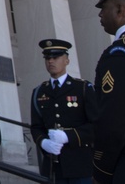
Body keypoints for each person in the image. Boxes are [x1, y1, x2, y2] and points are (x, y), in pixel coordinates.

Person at [29, 38, 96, 184]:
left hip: (80, 165)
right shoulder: (39, 92)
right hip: (53, 166)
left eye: (56, 57)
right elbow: (36, 127)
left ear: (66, 60)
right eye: (47, 58)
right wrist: (43, 142)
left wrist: (68, 136)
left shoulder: (82, 88)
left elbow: (96, 125)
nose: (51, 61)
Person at [91, 0, 125, 183]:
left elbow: (114, 121)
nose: (100, 14)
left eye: (104, 7)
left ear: (120, 10)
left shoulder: (121, 51)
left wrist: (102, 169)